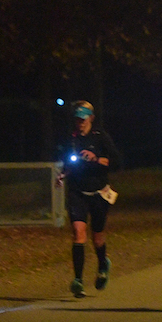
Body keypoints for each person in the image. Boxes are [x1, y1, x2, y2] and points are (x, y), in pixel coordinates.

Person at [58, 100, 121, 298]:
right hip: (77, 191)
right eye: (77, 120)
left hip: (99, 193)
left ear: (91, 118)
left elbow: (117, 161)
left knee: (98, 237)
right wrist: (62, 174)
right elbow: (68, 162)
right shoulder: (72, 139)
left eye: (83, 119)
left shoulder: (100, 137)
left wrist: (95, 159)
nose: (80, 123)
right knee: (78, 232)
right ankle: (78, 280)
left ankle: (103, 264)